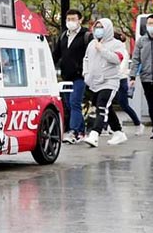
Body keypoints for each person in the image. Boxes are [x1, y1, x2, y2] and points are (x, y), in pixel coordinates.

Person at [83, 18, 128, 147]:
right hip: (94, 83)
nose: (98, 30)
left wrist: (102, 49)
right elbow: (86, 59)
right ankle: (118, 132)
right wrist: (86, 74)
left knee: (102, 105)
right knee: (105, 106)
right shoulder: (92, 44)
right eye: (96, 27)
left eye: (101, 27)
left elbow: (117, 59)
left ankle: (94, 134)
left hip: (110, 81)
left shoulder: (117, 44)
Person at [52, 9, 92, 144]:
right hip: (66, 76)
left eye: (73, 19)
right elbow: (56, 55)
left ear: (80, 20)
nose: (70, 22)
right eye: (68, 19)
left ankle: (73, 131)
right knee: (69, 104)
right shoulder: (63, 36)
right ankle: (81, 131)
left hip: (80, 76)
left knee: (75, 102)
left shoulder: (86, 36)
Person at [114, 31, 144, 135]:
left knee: (124, 105)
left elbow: (122, 67)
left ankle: (138, 124)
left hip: (120, 80)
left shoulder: (122, 51)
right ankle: (110, 127)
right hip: (110, 80)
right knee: (105, 104)